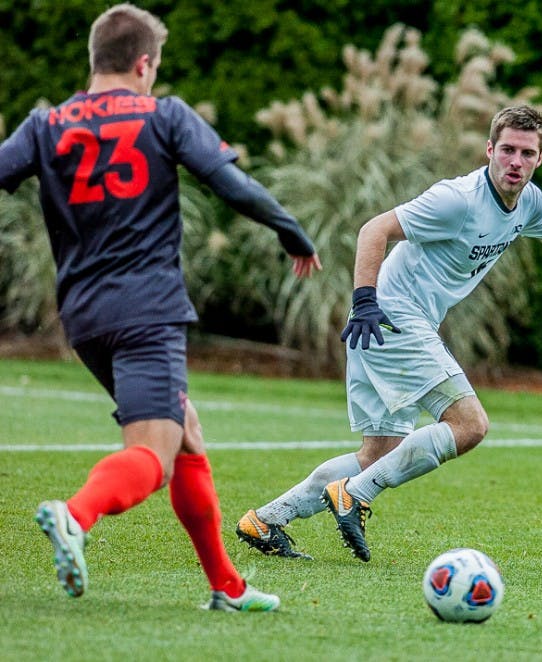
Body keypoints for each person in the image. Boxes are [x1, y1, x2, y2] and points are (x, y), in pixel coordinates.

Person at [236, 105, 542, 562]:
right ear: (489, 150)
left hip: (387, 324)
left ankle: (266, 520)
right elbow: (375, 229)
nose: (516, 161)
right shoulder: (457, 199)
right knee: (469, 424)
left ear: (540, 159)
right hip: (388, 317)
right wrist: (365, 300)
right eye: (507, 150)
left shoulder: (529, 201)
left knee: (378, 452)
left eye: (526, 153)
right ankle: (354, 495)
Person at [0, 4, 322, 610]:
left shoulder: (45, 125)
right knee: (154, 451)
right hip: (146, 310)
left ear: (95, 60)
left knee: (188, 436)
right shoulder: (164, 114)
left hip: (84, 318)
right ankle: (75, 516)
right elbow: (232, 184)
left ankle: (228, 587)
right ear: (144, 64)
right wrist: (291, 231)